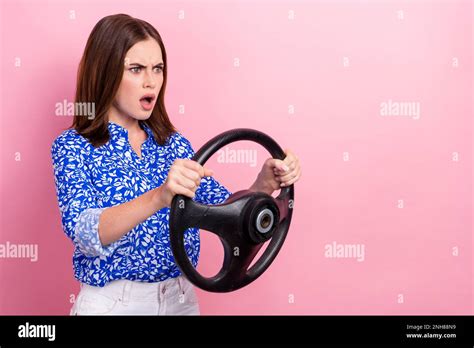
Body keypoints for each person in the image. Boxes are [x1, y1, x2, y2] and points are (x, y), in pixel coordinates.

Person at [50, 13, 302, 315]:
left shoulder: (173, 144)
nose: (151, 81)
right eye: (136, 69)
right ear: (105, 72)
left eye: (158, 69)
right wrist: (159, 197)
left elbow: (223, 208)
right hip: (113, 304)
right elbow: (86, 233)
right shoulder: (73, 147)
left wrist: (264, 185)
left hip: (179, 300)